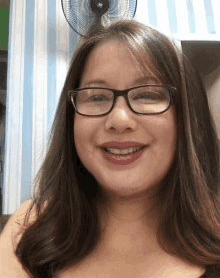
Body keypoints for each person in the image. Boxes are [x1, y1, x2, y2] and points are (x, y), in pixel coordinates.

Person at [0, 20, 220, 278]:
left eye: (147, 94)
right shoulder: (29, 223)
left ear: (186, 118)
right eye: (96, 96)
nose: (119, 120)